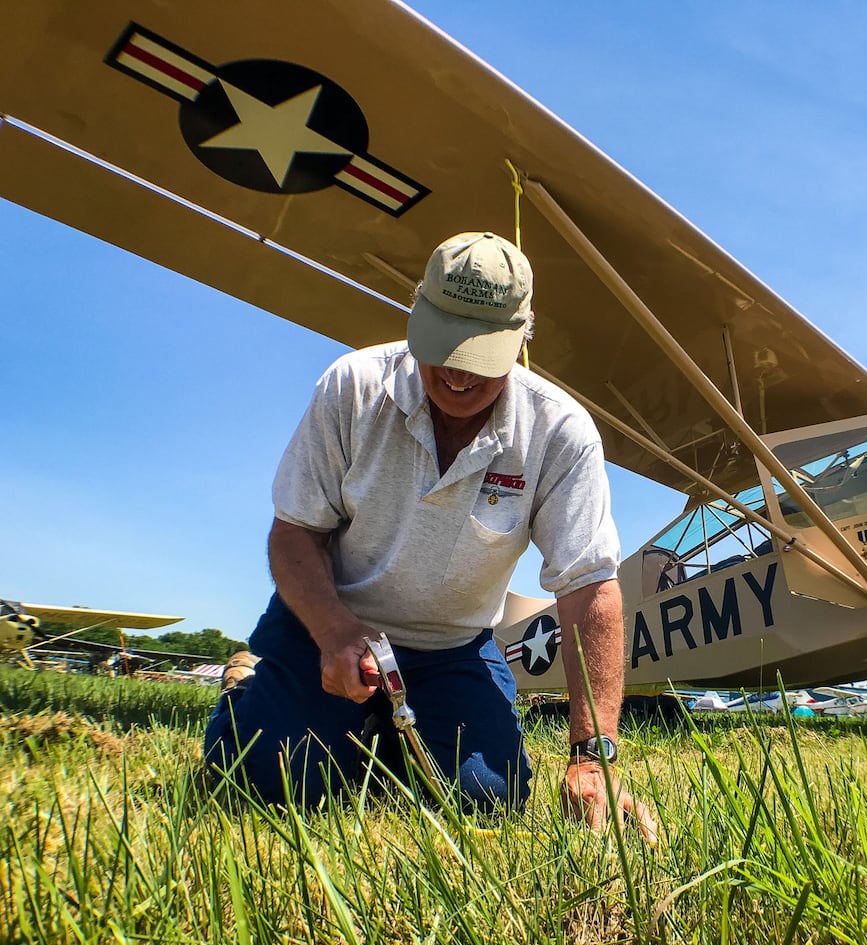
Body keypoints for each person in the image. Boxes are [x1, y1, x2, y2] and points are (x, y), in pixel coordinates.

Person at [204, 231, 657, 842]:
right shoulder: (353, 387)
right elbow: (294, 534)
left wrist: (591, 755)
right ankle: (248, 691)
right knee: (271, 779)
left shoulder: (559, 431)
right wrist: (335, 632)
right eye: (442, 344)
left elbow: (589, 587)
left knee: (487, 797)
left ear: (524, 338)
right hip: (331, 627)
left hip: (453, 646)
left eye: (483, 354)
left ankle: (382, 734)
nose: (457, 373)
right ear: (416, 314)